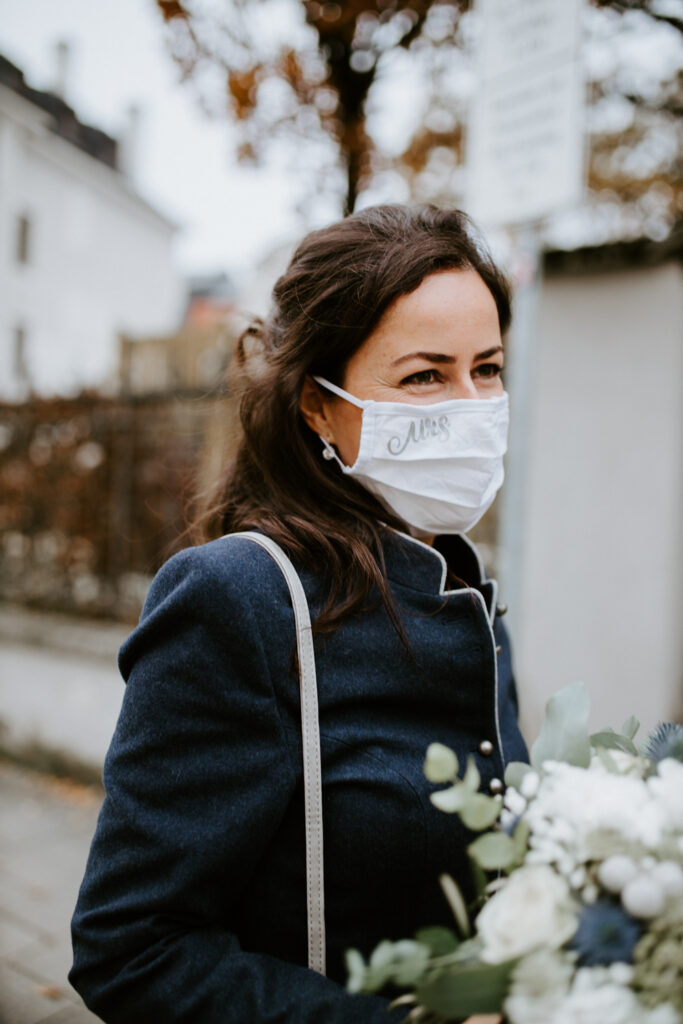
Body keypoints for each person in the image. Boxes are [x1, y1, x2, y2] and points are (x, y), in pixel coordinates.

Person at [70, 203, 528, 1023]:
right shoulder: (239, 600)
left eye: (487, 369)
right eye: (424, 376)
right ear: (317, 405)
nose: (471, 403)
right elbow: (131, 948)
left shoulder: (468, 594)